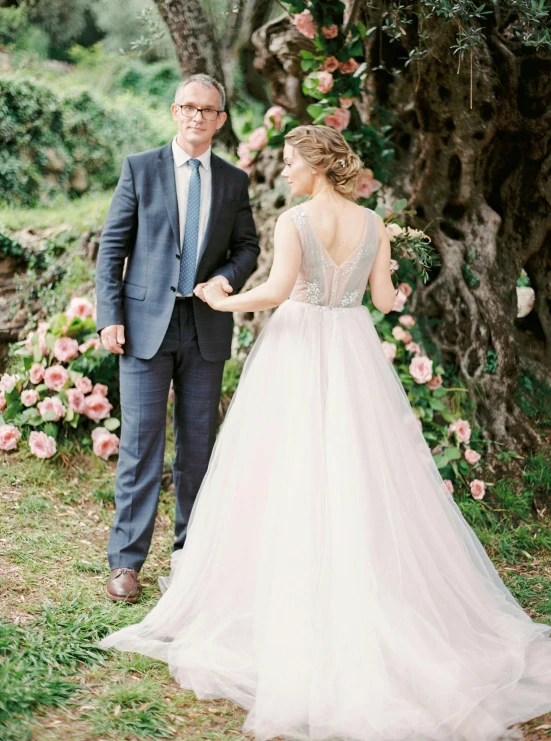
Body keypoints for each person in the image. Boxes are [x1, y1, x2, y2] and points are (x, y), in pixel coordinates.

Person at [100, 125, 551, 741]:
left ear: (315, 166)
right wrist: (392, 260)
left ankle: (290, 592)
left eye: (290, 163)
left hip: (299, 346)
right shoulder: (372, 224)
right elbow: (388, 302)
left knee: (284, 464)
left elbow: (279, 291)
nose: (284, 173)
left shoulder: (296, 222)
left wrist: (216, 299)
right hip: (352, 347)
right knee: (353, 466)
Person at [95, 74, 260, 603]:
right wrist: (109, 315)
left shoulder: (234, 181)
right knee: (141, 445)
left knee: (198, 448)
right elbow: (111, 247)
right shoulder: (140, 169)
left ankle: (191, 557)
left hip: (205, 326)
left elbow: (248, 247)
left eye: (206, 109)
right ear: (174, 111)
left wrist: (227, 278)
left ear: (220, 120)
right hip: (145, 326)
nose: (195, 116)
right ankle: (126, 562)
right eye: (187, 106)